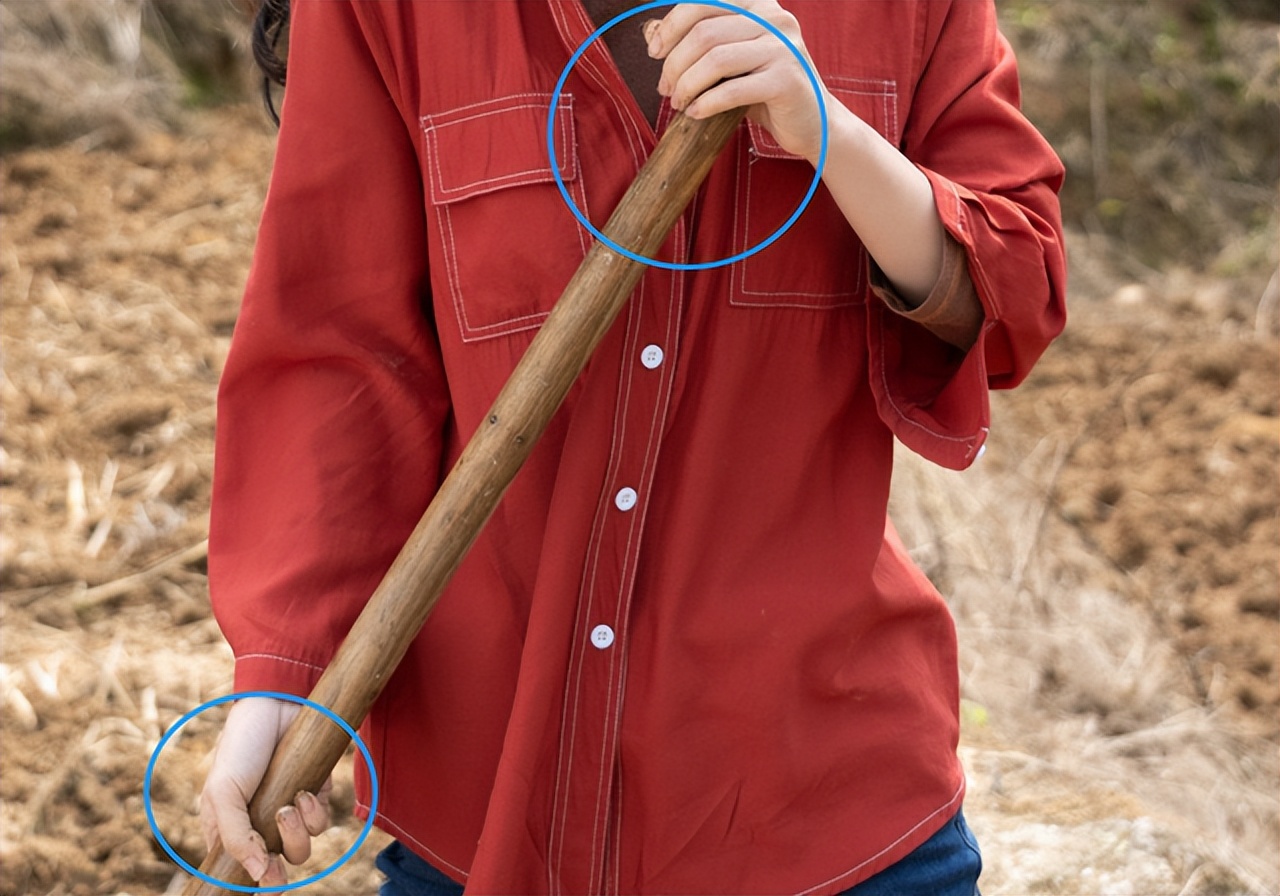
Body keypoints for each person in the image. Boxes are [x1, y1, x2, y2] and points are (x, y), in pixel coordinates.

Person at [198, 0, 1066, 893]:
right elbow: (337, 355)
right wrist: (279, 678)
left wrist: (831, 133)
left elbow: (1016, 290)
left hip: (823, 814)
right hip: (490, 812)